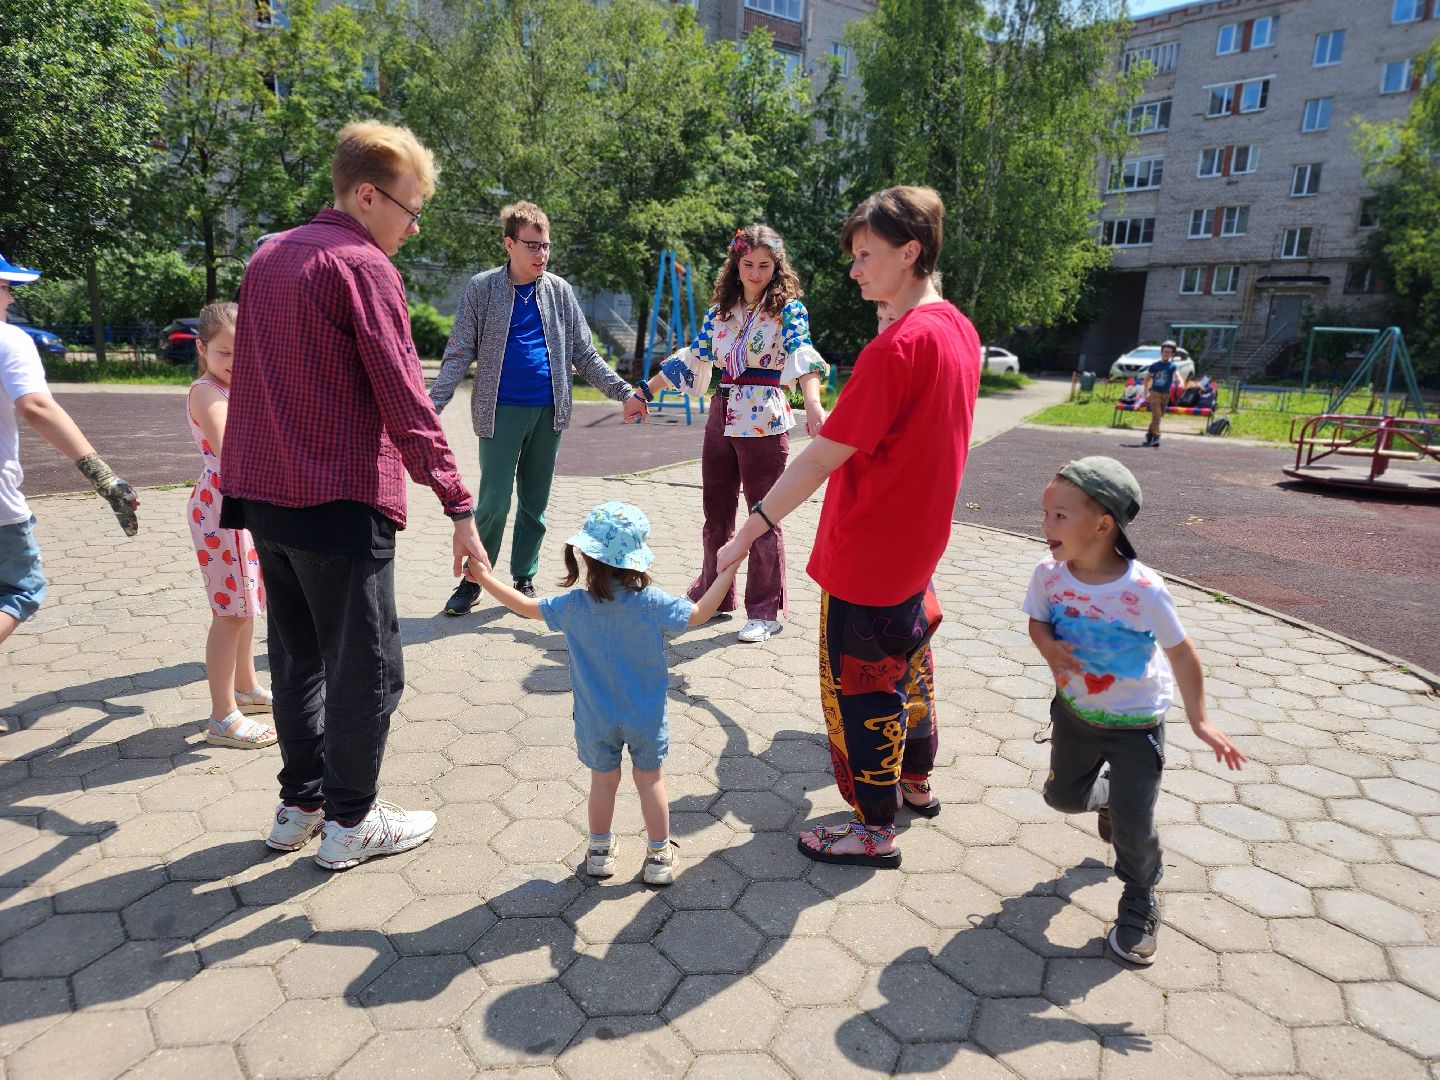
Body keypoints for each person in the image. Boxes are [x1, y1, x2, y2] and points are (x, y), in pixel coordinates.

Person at [219, 121, 489, 870]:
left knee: (298, 657)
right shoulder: (360, 265)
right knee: (368, 668)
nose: (412, 225)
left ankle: (299, 802)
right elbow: (406, 398)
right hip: (338, 499)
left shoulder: (268, 254)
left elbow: (250, 382)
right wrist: (459, 506)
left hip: (264, 497)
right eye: (410, 208)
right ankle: (349, 823)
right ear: (367, 194)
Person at [715, 187, 980, 866]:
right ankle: (916, 784)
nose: (855, 270)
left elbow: (817, 463)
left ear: (910, 252)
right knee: (911, 670)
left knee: (863, 693)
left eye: (866, 256)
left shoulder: (894, 351)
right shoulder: (956, 328)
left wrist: (749, 532)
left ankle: (872, 827)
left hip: (865, 556)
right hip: (917, 549)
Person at [1024, 456, 1247, 964]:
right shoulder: (1049, 575)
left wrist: (1200, 720)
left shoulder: (1142, 590)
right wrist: (1050, 649)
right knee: (1062, 797)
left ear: (1102, 525)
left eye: (1060, 516)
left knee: (1135, 824)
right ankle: (1105, 801)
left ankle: (1140, 895)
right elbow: (1038, 622)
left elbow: (1182, 653)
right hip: (1074, 714)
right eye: (1045, 514)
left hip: (1136, 725)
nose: (1045, 526)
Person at [465, 501, 741, 885]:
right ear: (636, 561)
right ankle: (659, 856)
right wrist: (728, 569)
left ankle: (598, 852)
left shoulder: (574, 605)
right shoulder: (652, 603)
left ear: (587, 559)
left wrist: (483, 578)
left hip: (595, 716)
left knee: (602, 781)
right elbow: (700, 613)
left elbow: (525, 606)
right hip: (645, 715)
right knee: (651, 781)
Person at [431, 202, 647, 613]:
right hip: (499, 411)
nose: (540, 255)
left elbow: (585, 354)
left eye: (546, 246)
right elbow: (458, 354)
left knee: (536, 502)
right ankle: (476, 579)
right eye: (532, 245)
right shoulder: (482, 288)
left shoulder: (560, 292)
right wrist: (427, 411)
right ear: (508, 244)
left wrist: (625, 393)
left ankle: (524, 576)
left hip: (549, 412)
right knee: (493, 501)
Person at [638, 224, 828, 644]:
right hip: (722, 412)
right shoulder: (721, 312)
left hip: (764, 416)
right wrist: (644, 392)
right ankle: (714, 594)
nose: (756, 273)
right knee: (716, 512)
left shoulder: (788, 311)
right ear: (735, 266)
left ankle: (765, 609)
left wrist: (813, 404)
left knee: (764, 514)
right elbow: (691, 356)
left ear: (776, 267)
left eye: (765, 266)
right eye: (748, 265)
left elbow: (802, 355)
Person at [0, 254, 139, 648]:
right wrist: (104, 477)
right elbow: (35, 407)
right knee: (20, 590)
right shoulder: (9, 339)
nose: (9, 300)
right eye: (5, 288)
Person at [185, 302, 276, 749]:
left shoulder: (241, 385)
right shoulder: (207, 392)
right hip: (225, 506)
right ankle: (223, 715)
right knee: (231, 612)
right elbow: (228, 447)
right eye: (225, 353)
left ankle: (246, 687)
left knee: (246, 604)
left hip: (242, 503)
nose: (236, 363)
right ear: (202, 349)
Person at [1142, 340, 1180, 447]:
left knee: (1158, 416)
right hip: (1154, 392)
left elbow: (1177, 375)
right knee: (1157, 416)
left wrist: (1180, 381)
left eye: (1169, 352)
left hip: (1165, 394)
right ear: (1161, 352)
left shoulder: (1172, 366)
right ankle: (1156, 437)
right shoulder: (1155, 365)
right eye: (1165, 351)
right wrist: (1145, 393)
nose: (1166, 354)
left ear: (1172, 354)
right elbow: (1146, 379)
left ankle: (1149, 435)